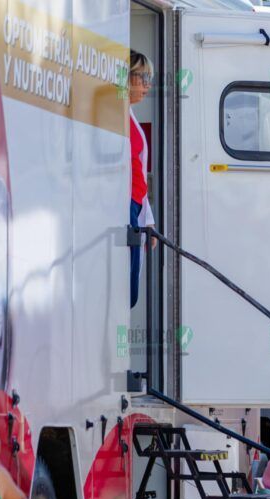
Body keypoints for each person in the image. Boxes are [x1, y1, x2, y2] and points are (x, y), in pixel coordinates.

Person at [128, 49, 155, 307]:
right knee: (128, 292)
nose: (148, 85)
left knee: (131, 292)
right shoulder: (116, 116)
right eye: (142, 77)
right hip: (127, 209)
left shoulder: (129, 115)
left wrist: (149, 220)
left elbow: (139, 171)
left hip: (135, 210)